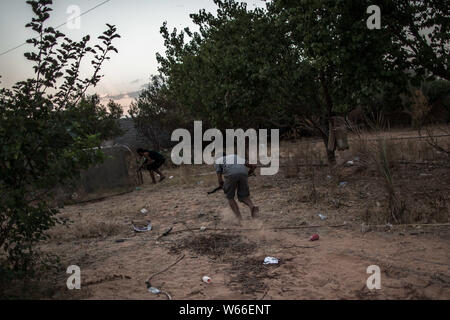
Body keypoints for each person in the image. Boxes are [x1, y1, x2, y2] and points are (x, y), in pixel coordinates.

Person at [214, 152, 259, 222]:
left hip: (230, 174)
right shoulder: (235, 156)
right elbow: (253, 166)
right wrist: (249, 173)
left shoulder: (218, 161)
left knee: (230, 197)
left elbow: (220, 179)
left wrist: (222, 185)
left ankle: (239, 219)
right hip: (243, 173)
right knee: (244, 196)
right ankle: (252, 206)